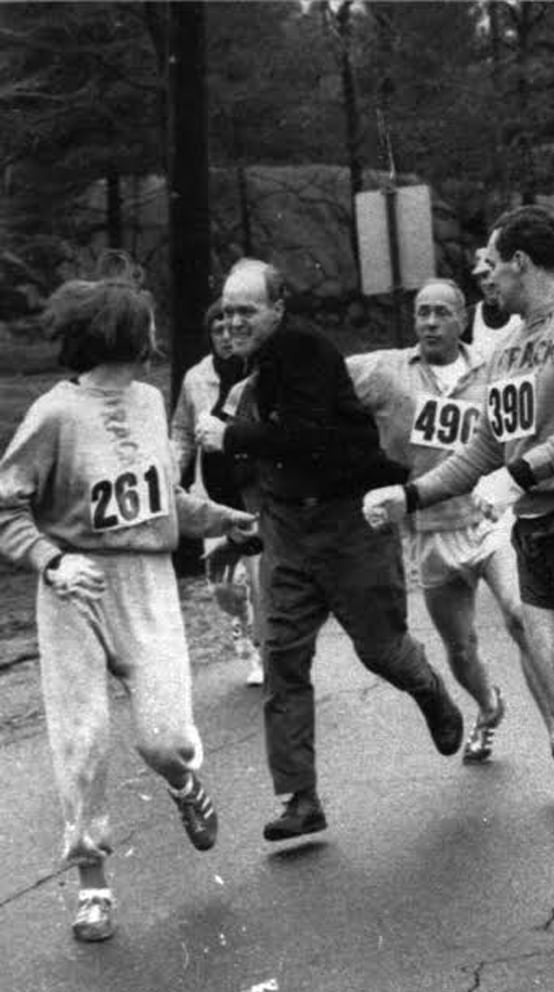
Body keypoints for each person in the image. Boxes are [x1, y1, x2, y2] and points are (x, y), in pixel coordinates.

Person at [0, 271, 256, 941]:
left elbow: (162, 501)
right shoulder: (54, 413)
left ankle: (185, 784)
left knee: (166, 738)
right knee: (82, 740)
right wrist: (52, 560)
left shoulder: (148, 401)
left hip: (147, 583)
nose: (155, 333)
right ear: (122, 332)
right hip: (75, 589)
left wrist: (223, 519)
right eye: (146, 323)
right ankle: (93, 884)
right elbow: (6, 507)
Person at [364, 206, 554, 799]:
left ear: (521, 261)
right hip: (534, 528)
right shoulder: (511, 346)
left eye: (492, 264)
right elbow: (487, 446)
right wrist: (408, 495)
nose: (486, 276)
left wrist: (520, 473)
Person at [194, 257, 465, 843]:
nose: (234, 322)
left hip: (349, 523)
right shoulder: (240, 363)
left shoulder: (305, 349)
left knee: (382, 652)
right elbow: (232, 453)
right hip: (287, 529)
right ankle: (300, 798)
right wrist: (239, 516)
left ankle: (429, 689)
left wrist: (231, 435)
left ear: (278, 309)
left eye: (247, 311)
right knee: (282, 658)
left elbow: (307, 437)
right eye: (228, 311)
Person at [347, 279, 554, 779]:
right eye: (422, 313)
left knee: (521, 616)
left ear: (464, 318)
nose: (430, 322)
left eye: (442, 312)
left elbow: (532, 426)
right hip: (430, 530)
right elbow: (317, 378)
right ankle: (488, 703)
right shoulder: (385, 370)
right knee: (460, 649)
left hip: (491, 518)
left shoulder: (496, 368)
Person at [170, 299, 265, 686]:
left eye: (231, 328)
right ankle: (242, 622)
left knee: (260, 581)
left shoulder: (262, 371)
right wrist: (171, 469)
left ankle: (262, 653)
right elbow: (181, 431)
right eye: (217, 330)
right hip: (212, 496)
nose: (227, 336)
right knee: (223, 586)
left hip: (255, 494)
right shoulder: (196, 378)